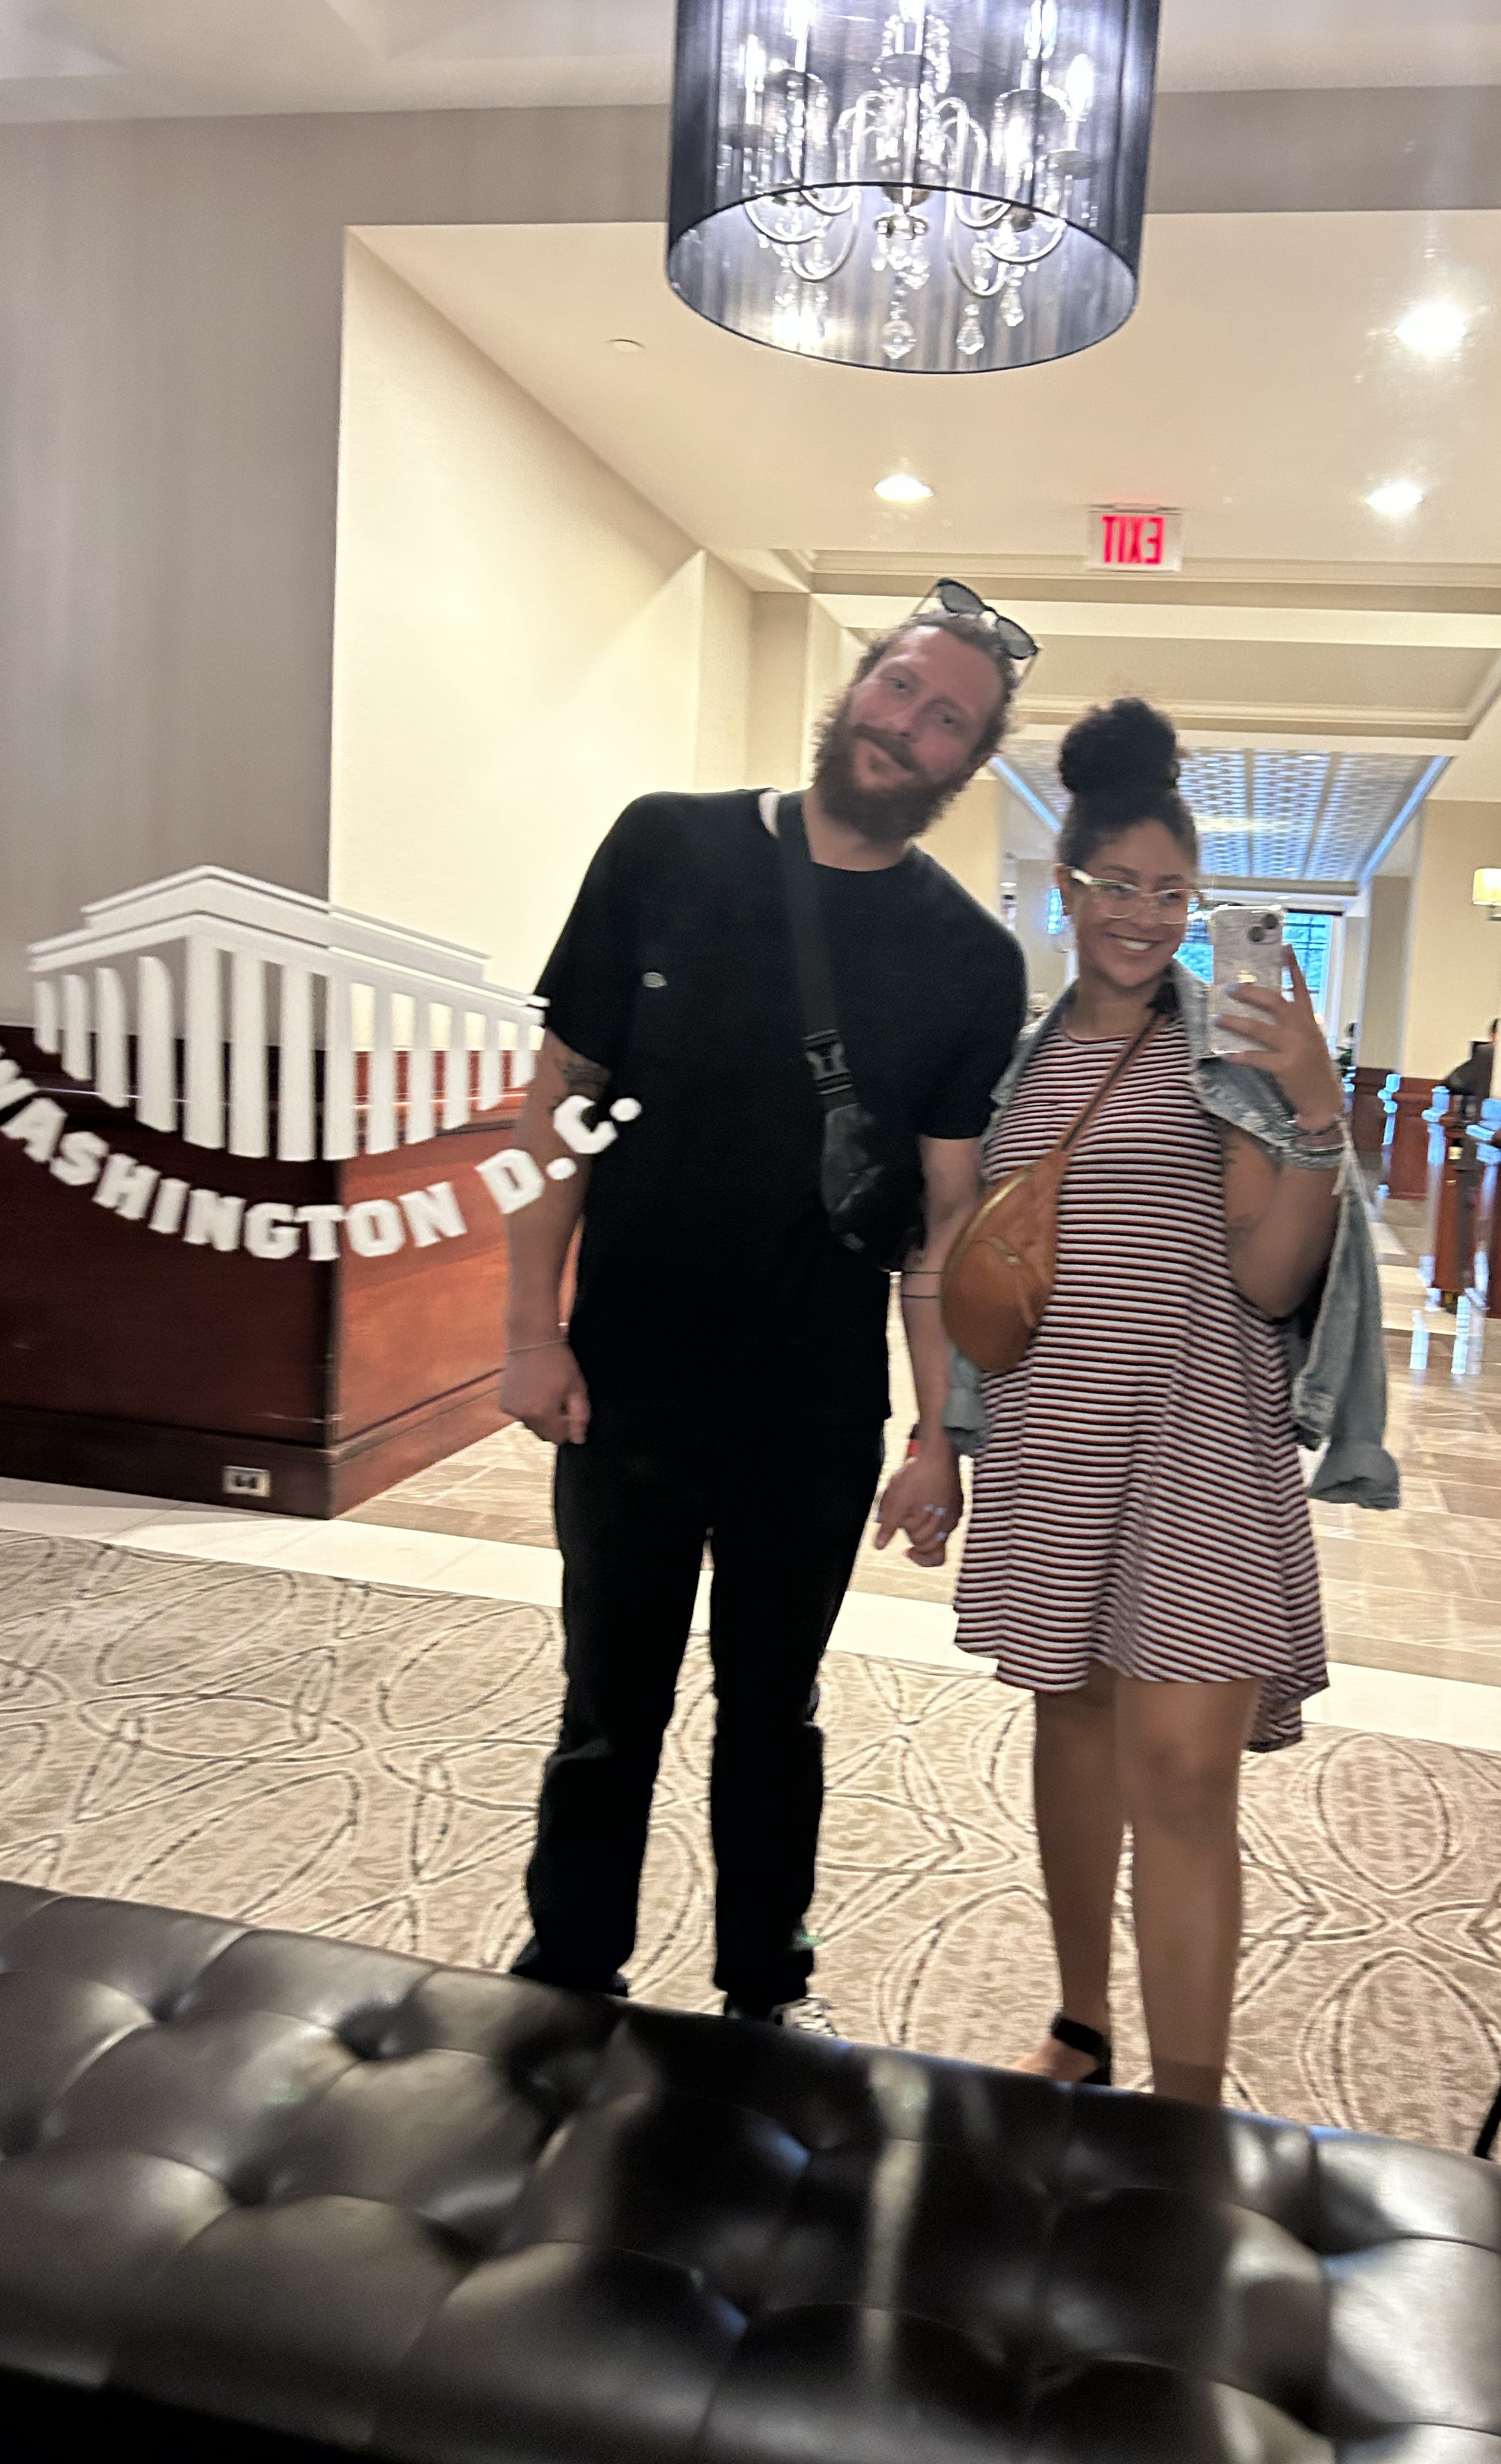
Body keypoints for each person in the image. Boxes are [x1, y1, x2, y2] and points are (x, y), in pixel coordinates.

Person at [499, 589, 1029, 2028]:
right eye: (900, 686)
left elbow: (946, 1215)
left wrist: (940, 1430)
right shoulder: (665, 844)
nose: (907, 725)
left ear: (967, 765)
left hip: (812, 1403)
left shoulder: (971, 960)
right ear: (857, 682)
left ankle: (764, 1990)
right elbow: (560, 1104)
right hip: (627, 1377)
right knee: (607, 1704)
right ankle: (568, 1976)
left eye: (947, 720)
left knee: (772, 1712)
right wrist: (531, 1330)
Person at [942, 699, 1396, 2105]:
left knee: (1188, 1771)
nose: (1145, 916)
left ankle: (1185, 2112)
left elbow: (1271, 1280)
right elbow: (963, 1259)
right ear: (1067, 887)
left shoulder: (1231, 1053)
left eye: (1172, 892)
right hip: (1057, 1437)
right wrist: (936, 1435)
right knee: (1073, 1730)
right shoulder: (1014, 1065)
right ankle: (1083, 2028)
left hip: (1203, 1441)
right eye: (1118, 885)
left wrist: (1316, 1114)